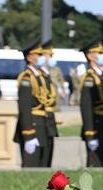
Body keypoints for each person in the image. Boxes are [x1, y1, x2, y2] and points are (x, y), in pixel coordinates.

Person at [79, 39, 103, 167]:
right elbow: (86, 108)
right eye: (99, 52)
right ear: (90, 56)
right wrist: (90, 133)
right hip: (97, 127)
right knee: (95, 166)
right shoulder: (89, 78)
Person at [14, 39, 50, 168]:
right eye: (38, 55)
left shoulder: (39, 76)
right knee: (31, 166)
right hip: (32, 127)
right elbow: (24, 107)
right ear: (29, 57)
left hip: (41, 125)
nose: (42, 58)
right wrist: (28, 134)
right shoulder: (26, 78)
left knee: (42, 167)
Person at [39, 39, 59, 167]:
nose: (51, 58)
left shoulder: (47, 75)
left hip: (48, 121)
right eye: (49, 55)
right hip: (39, 122)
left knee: (47, 161)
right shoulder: (34, 76)